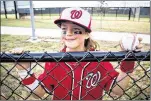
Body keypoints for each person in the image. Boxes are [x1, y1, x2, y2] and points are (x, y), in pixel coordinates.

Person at [11, 7, 143, 100]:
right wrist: (24, 71)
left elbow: (117, 91)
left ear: (86, 34)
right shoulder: (54, 61)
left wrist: (128, 60)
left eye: (76, 30)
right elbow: (39, 93)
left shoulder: (99, 60)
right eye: (64, 30)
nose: (68, 34)